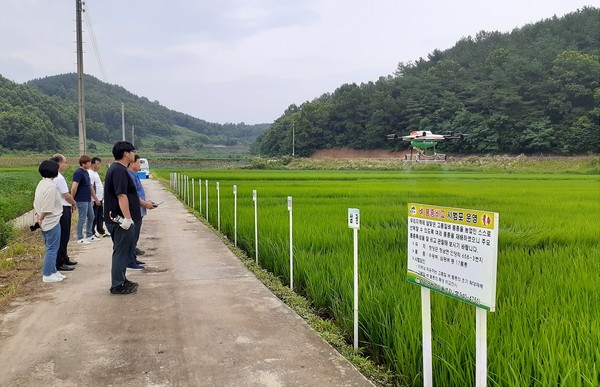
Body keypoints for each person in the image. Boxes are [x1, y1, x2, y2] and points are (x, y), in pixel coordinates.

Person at [104, 141, 141, 294]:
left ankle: (121, 279)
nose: (134, 154)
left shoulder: (117, 169)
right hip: (119, 220)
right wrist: (127, 218)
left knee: (123, 250)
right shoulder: (119, 170)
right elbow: (121, 195)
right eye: (132, 151)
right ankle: (117, 285)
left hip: (118, 218)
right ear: (126, 153)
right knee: (120, 251)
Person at [33, 160, 66, 283]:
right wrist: (41, 217)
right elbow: (47, 207)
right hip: (51, 221)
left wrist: (38, 217)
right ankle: (47, 274)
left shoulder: (41, 183)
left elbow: (36, 202)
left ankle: (53, 271)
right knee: (52, 248)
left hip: (44, 221)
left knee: (50, 247)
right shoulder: (51, 186)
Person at [50, 154, 78, 271]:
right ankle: (60, 262)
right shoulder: (59, 178)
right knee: (63, 235)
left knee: (63, 235)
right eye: (64, 162)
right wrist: (73, 202)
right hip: (63, 208)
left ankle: (64, 257)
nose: (66, 164)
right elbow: (66, 195)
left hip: (58, 208)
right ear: (58, 164)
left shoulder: (52, 176)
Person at [127, 154, 155, 270]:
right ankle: (130, 260)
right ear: (132, 164)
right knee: (132, 237)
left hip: (139, 209)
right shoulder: (130, 176)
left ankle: (133, 258)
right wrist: (145, 204)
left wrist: (146, 201)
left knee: (135, 236)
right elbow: (132, 196)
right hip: (135, 210)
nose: (140, 164)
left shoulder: (134, 175)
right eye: (138, 162)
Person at [71, 155, 101, 244]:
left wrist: (95, 199)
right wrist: (72, 200)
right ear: (83, 163)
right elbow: (74, 187)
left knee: (91, 216)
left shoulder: (86, 172)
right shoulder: (78, 173)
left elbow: (90, 187)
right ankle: (80, 238)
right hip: (81, 199)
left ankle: (89, 234)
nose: (90, 164)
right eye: (88, 162)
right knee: (82, 218)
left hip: (88, 199)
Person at [89, 156, 109, 238]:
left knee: (100, 216)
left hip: (100, 199)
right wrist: (95, 199)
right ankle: (91, 232)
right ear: (92, 164)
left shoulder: (95, 173)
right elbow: (91, 187)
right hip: (95, 199)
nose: (99, 165)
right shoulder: (90, 173)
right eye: (98, 163)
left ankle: (101, 231)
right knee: (93, 216)